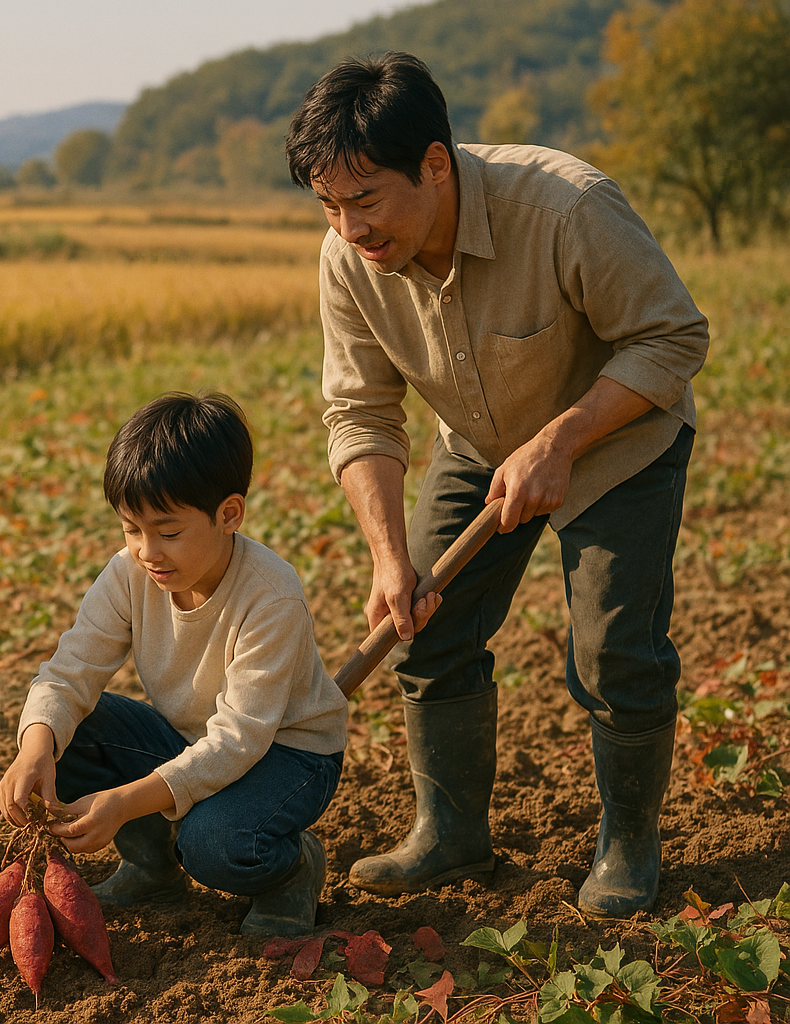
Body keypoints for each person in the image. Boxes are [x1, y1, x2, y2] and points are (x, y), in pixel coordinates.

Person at [284, 53, 709, 917]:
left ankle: (630, 841)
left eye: (365, 200)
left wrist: (561, 440)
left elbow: (671, 340)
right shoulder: (347, 258)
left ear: (435, 164)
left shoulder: (564, 207)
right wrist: (387, 555)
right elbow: (360, 410)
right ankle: (451, 835)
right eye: (329, 205)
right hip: (479, 444)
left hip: (617, 437)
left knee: (613, 650)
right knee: (424, 629)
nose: (349, 227)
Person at [0, 393, 422, 937]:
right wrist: (36, 745)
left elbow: (239, 740)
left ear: (229, 514)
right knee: (70, 728)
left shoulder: (270, 596)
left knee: (212, 843)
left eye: (168, 531)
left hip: (286, 755)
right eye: (132, 529)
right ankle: (152, 868)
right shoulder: (130, 574)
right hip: (192, 739)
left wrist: (124, 802)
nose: (147, 550)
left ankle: (290, 870)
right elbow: (70, 669)